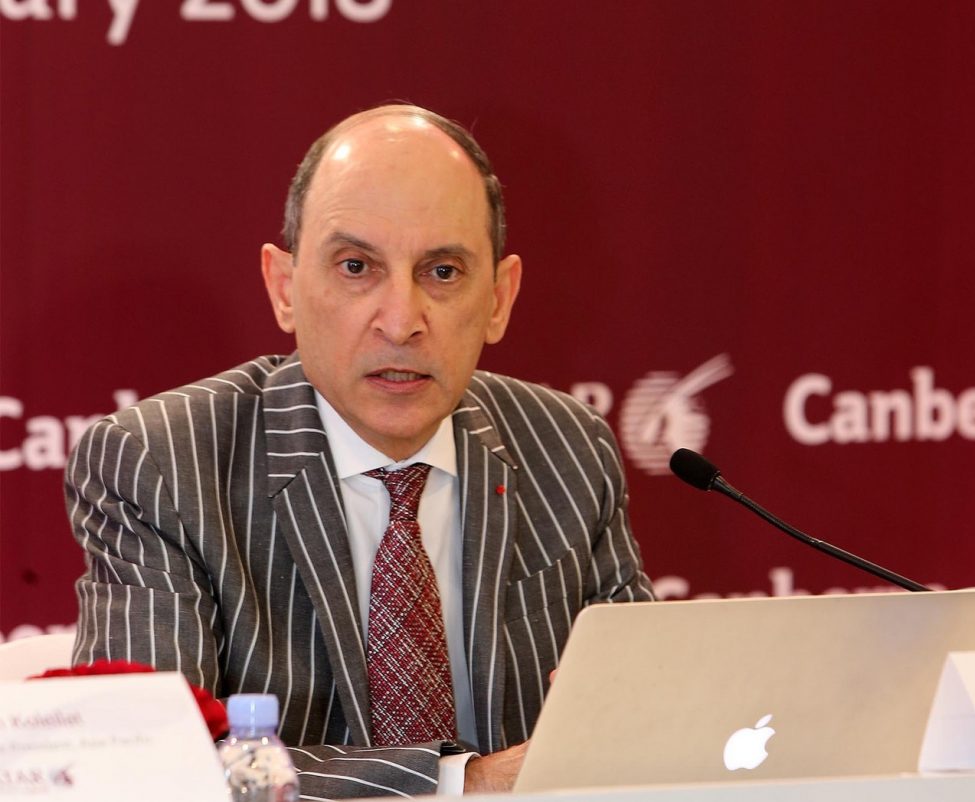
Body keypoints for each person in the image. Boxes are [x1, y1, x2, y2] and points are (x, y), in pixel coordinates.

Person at [66, 103, 655, 797]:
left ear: (499, 298)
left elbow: (642, 723)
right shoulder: (163, 465)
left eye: (442, 272)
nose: (402, 321)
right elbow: (146, 769)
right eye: (356, 266)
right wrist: (463, 782)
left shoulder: (566, 450)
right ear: (284, 288)